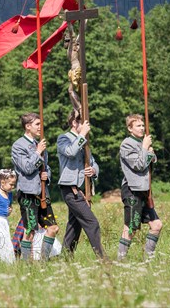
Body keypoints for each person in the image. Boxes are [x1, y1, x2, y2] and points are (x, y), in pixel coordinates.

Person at [57, 111, 107, 260]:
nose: (86, 126)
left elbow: (94, 163)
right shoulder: (63, 138)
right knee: (92, 223)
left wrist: (93, 170)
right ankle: (103, 258)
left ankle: (65, 258)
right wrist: (82, 135)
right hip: (70, 189)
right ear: (74, 123)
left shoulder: (84, 141)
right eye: (82, 122)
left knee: (74, 226)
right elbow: (71, 152)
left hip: (81, 190)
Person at [11, 112, 59, 261]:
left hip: (43, 194)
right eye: (37, 124)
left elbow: (47, 167)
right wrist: (38, 152)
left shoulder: (40, 144)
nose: (40, 127)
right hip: (28, 194)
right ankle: (26, 265)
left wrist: (47, 176)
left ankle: (43, 261)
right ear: (28, 126)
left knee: (53, 228)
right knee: (30, 231)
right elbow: (26, 168)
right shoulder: (18, 146)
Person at [117, 114, 163, 260]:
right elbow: (138, 165)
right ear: (130, 128)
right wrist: (145, 147)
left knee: (156, 225)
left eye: (143, 125)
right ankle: (121, 260)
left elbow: (152, 160)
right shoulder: (127, 144)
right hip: (132, 191)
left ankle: (148, 259)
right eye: (138, 126)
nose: (142, 128)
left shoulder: (143, 143)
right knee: (131, 228)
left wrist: (148, 150)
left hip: (144, 191)